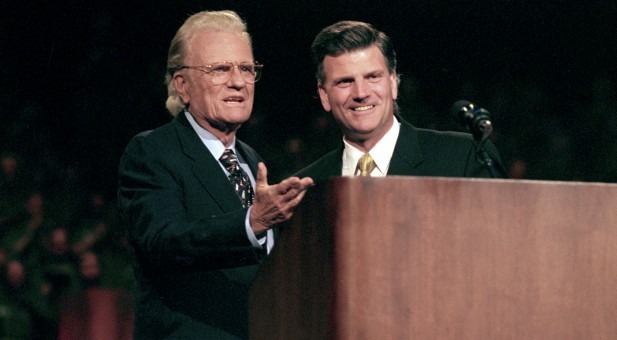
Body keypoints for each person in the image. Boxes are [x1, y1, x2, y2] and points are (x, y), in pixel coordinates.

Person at [117, 10, 313, 339]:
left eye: (247, 69)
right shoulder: (152, 152)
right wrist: (251, 223)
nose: (238, 81)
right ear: (182, 85)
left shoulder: (252, 161)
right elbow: (164, 242)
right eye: (220, 69)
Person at [296, 21, 505, 180]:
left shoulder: (464, 157)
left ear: (394, 82)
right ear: (324, 95)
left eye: (373, 76)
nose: (360, 93)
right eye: (345, 81)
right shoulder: (306, 187)